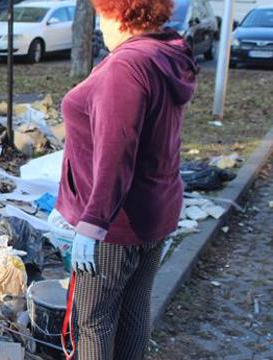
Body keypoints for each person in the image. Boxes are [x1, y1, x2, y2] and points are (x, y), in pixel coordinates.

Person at [49, 0, 198, 358]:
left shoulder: (127, 66)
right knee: (132, 311)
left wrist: (92, 224)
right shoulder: (165, 52)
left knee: (92, 320)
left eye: (101, 16)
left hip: (117, 223)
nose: (100, 26)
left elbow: (116, 153)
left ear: (121, 14)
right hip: (157, 209)